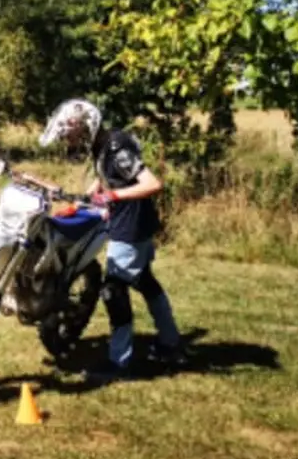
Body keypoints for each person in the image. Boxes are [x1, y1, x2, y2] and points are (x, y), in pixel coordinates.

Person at [39, 98, 187, 376]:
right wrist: (84, 199)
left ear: (87, 129)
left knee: (112, 291)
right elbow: (107, 177)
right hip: (134, 222)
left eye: (72, 135)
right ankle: (171, 344)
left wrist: (113, 196)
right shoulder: (103, 146)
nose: (70, 141)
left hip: (130, 225)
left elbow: (151, 184)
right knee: (146, 282)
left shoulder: (116, 147)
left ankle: (119, 361)